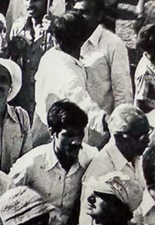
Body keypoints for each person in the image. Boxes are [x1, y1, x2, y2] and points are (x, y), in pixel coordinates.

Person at [10, 99, 97, 225]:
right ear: (52, 133)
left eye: (80, 134)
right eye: (68, 135)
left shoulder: (92, 158)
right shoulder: (30, 164)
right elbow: (8, 204)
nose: (76, 141)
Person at [33, 12, 108, 146]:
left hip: (43, 131)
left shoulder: (49, 56)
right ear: (83, 38)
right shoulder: (68, 74)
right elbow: (82, 103)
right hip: (61, 139)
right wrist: (106, 122)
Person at [74, 0, 132, 116]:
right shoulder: (70, 40)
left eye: (84, 12)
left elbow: (122, 91)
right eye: (75, 11)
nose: (78, 16)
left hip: (101, 127)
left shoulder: (113, 44)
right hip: (72, 127)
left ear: (99, 16)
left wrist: (118, 126)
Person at [81, 105, 150, 210]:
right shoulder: (98, 174)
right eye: (142, 137)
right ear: (120, 137)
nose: (148, 141)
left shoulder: (138, 155)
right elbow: (89, 222)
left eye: (148, 133)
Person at [7, 0, 56, 117]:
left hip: (47, 97)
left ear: (48, 1)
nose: (30, 4)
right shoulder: (18, 27)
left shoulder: (56, 27)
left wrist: (54, 31)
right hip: (22, 97)